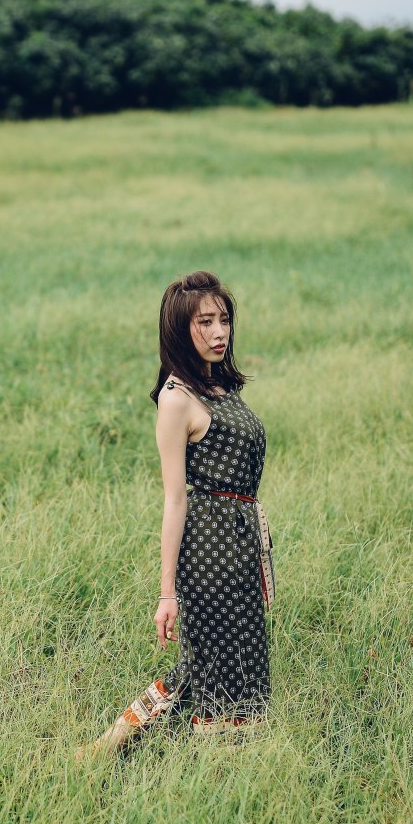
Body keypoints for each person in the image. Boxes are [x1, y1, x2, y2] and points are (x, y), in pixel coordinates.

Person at [80, 271, 272, 759]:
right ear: (179, 330)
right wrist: (167, 592)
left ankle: (113, 747)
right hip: (209, 551)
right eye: (204, 322)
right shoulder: (176, 398)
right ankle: (183, 758)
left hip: (239, 543)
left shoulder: (217, 386)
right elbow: (174, 498)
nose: (218, 331)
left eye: (223, 319)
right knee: (207, 668)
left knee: (231, 661)